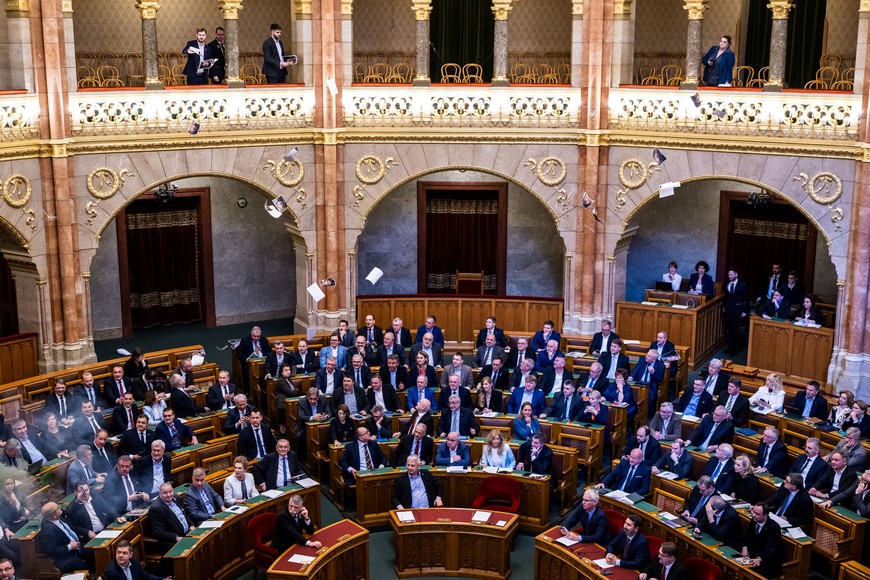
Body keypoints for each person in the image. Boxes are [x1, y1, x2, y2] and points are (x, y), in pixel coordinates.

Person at [39, 502, 94, 573]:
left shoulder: (60, 518)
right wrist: (70, 546)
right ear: (54, 515)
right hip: (66, 556)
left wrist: (87, 532)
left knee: (95, 551)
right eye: (58, 508)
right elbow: (51, 551)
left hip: (78, 546)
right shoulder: (48, 531)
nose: (60, 507)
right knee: (82, 564)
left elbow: (73, 527)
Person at [149, 483, 195, 552]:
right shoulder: (156, 508)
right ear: (160, 493)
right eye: (165, 493)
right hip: (172, 542)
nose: (169, 495)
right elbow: (158, 532)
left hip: (187, 534)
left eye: (170, 491)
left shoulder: (176, 497)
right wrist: (176, 538)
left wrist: (191, 525)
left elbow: (184, 513)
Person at [741, 503, 783, 578]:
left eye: (757, 514)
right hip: (752, 556)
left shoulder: (774, 527)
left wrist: (759, 558)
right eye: (753, 512)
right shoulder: (754, 521)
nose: (753, 515)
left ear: (765, 515)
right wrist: (745, 547)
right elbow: (748, 535)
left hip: (767, 561)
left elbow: (771, 547)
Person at [723, 267, 749, 354]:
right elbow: (726, 297)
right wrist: (724, 307)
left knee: (735, 329)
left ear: (736, 275)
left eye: (731, 274)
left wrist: (745, 311)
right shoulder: (727, 284)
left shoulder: (742, 285)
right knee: (728, 329)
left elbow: (746, 298)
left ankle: (734, 348)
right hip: (728, 309)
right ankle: (729, 346)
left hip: (737, 309)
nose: (729, 276)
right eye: (728, 275)